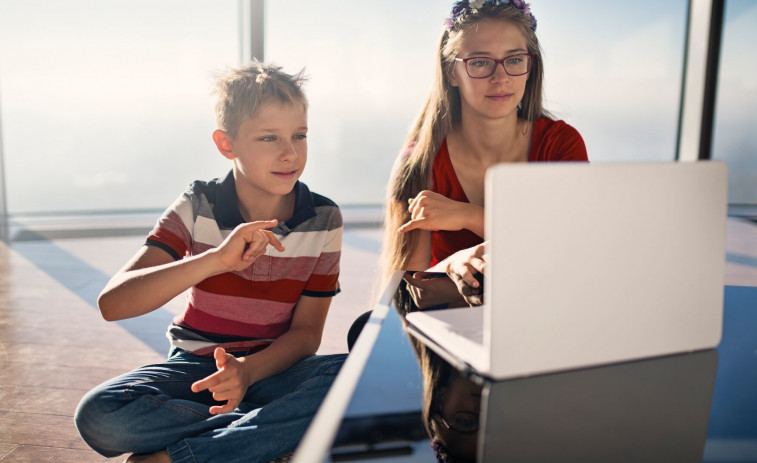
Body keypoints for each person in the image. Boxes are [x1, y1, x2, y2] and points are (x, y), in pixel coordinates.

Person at [74, 61, 345, 463]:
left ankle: (179, 456)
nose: (290, 153)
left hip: (276, 371)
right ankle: (258, 436)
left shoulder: (324, 218)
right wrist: (216, 260)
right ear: (226, 144)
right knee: (101, 415)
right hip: (195, 371)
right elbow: (112, 303)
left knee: (351, 378)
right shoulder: (196, 205)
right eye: (269, 137)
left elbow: (306, 335)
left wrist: (248, 372)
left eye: (299, 135)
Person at [382, 0, 588, 311]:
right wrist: (457, 267)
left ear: (531, 67)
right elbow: (409, 298)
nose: (501, 77)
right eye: (480, 62)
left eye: (514, 59)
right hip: (451, 334)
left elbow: (572, 260)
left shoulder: (560, 144)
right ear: (452, 72)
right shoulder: (421, 161)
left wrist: (469, 216)